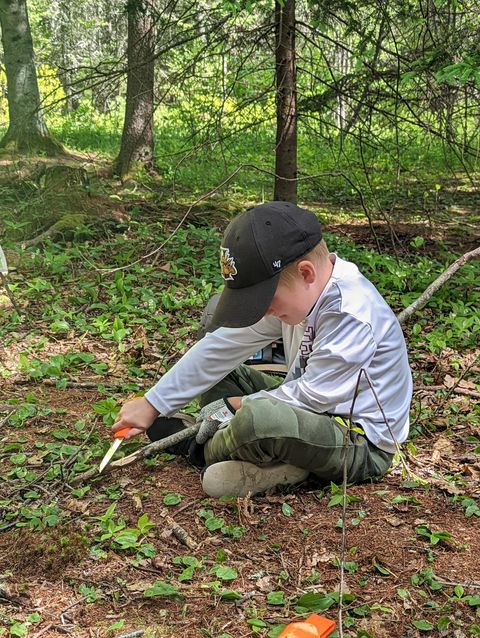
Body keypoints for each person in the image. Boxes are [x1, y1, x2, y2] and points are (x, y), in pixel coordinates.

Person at [112, 201, 413, 498]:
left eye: (265, 299)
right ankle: (277, 463)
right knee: (225, 376)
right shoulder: (302, 295)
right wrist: (152, 404)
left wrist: (234, 407)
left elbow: (311, 397)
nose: (263, 310)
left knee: (259, 420)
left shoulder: (351, 314)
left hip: (357, 441)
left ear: (306, 273)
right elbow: (223, 345)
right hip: (305, 413)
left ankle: (198, 449)